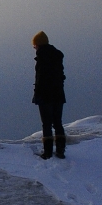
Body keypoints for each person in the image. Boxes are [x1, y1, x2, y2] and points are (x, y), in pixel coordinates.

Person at [32, 31, 66, 159]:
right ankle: (61, 151)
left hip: (45, 95)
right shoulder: (57, 56)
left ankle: (47, 152)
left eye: (34, 45)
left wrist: (37, 94)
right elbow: (61, 76)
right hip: (58, 94)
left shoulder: (42, 58)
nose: (34, 48)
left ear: (38, 45)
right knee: (57, 122)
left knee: (46, 123)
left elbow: (40, 78)